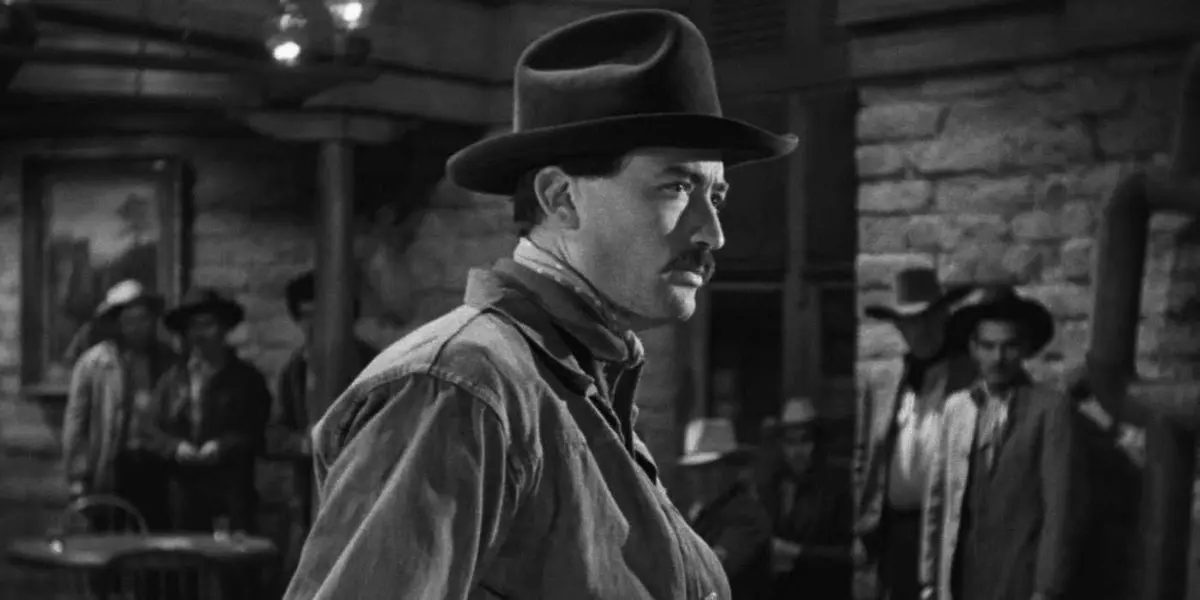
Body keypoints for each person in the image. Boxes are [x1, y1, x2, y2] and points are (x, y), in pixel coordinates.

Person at [283, 8, 797, 600]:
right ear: (560, 197)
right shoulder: (462, 388)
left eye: (717, 196)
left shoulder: (576, 384)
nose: (713, 233)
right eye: (677, 187)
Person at [920, 286, 1084, 600]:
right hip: (964, 577)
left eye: (1009, 347)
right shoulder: (957, 408)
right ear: (973, 348)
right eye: (988, 346)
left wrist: (1046, 589)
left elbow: (1061, 510)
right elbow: (937, 499)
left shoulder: (1050, 410)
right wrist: (929, 579)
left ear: (1025, 349)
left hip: (1019, 577)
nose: (997, 358)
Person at [852, 268, 975, 600]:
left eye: (928, 319)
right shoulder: (884, 381)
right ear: (898, 327)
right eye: (909, 322)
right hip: (896, 530)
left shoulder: (969, 377)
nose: (920, 331)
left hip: (950, 526)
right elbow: (865, 455)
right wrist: (863, 518)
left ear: (944, 318)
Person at [267, 271, 377, 576]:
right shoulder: (294, 371)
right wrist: (303, 442)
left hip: (360, 493)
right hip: (307, 496)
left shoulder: (375, 363)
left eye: (322, 315)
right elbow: (275, 434)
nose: (313, 324)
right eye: (305, 315)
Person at [141, 288, 272, 535]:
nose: (200, 334)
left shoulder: (246, 379)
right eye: (193, 327)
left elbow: (259, 430)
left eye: (207, 325)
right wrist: (175, 447)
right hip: (184, 492)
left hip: (231, 491)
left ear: (223, 329)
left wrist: (222, 446)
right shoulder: (172, 380)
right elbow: (148, 430)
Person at [62, 279, 176, 530]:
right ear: (117, 323)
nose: (139, 327)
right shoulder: (94, 363)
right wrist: (78, 476)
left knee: (155, 535)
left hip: (155, 465)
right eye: (130, 320)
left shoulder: (167, 360)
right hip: (111, 464)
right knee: (108, 537)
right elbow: (76, 422)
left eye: (144, 319)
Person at [764, 397, 852, 600]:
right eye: (790, 442)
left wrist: (798, 553)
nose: (797, 451)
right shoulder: (772, 485)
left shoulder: (837, 486)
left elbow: (849, 554)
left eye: (804, 441)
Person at [678, 418, 772, 600]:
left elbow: (710, 573)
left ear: (731, 469)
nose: (701, 479)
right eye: (696, 469)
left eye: (710, 469)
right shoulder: (701, 513)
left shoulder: (747, 515)